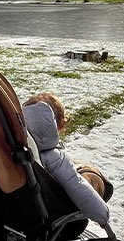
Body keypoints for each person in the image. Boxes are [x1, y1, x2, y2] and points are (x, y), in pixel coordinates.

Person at [22, 92, 110, 227]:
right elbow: (78, 187)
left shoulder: (16, 154)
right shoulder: (55, 159)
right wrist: (103, 215)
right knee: (88, 182)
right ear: (55, 126)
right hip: (56, 225)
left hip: (17, 218)